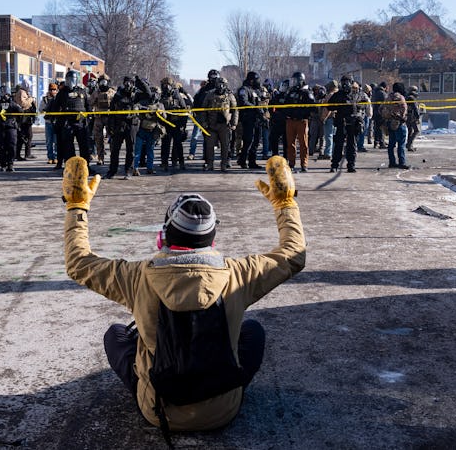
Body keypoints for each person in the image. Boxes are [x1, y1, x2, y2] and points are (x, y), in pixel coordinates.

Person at [61, 153, 305, 439]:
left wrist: (77, 208)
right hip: (225, 410)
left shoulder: (136, 276)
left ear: (165, 235)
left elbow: (78, 262)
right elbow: (293, 255)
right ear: (212, 237)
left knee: (116, 334)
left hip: (158, 410)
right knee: (253, 331)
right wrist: (285, 204)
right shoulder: (240, 273)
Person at [328, 75, 368, 173]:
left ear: (351, 82)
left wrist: (356, 107)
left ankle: (351, 165)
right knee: (338, 144)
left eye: (347, 82)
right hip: (341, 122)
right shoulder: (338, 94)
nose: (345, 84)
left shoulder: (358, 94)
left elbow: (365, 105)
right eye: (343, 82)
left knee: (352, 145)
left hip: (353, 123)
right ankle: (334, 165)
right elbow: (329, 106)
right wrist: (340, 104)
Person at [53, 69, 91, 171]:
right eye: (68, 79)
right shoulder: (62, 93)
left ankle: (86, 167)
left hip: (81, 123)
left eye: (72, 79)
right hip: (67, 123)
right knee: (68, 147)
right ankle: (71, 167)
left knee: (84, 146)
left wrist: (89, 118)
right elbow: (55, 108)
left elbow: (88, 106)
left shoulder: (81, 91)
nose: (70, 81)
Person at [202, 77, 238, 171]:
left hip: (225, 125)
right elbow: (203, 109)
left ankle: (224, 164)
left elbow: (235, 110)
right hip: (211, 124)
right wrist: (204, 122)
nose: (220, 86)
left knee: (225, 146)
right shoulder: (210, 94)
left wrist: (234, 123)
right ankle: (210, 164)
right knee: (209, 146)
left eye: (223, 84)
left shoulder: (230, 95)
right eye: (219, 83)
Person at [105, 76, 138, 179]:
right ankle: (112, 171)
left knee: (131, 150)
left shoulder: (136, 95)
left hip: (131, 125)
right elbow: (111, 112)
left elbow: (148, 94)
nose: (128, 84)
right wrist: (109, 127)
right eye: (126, 82)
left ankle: (128, 171)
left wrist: (138, 81)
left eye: (130, 82)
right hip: (119, 124)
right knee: (115, 150)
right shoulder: (118, 95)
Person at [132, 76, 165, 175]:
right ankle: (135, 168)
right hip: (141, 129)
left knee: (150, 151)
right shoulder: (143, 102)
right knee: (137, 150)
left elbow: (165, 117)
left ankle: (149, 168)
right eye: (153, 93)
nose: (155, 95)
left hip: (153, 130)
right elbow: (136, 108)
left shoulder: (160, 105)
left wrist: (159, 113)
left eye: (157, 93)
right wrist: (140, 109)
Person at [284, 72, 316, 172]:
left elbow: (313, 107)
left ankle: (304, 164)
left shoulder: (306, 92)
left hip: (302, 121)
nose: (293, 82)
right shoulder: (290, 92)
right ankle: (291, 163)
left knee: (303, 144)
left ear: (300, 80)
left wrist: (304, 114)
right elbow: (285, 104)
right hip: (290, 120)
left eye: (295, 80)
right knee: (290, 143)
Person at [236, 71, 264, 170]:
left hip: (257, 120)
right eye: (256, 80)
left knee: (256, 142)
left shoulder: (256, 90)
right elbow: (244, 102)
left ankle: (252, 162)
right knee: (248, 141)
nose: (258, 82)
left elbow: (261, 102)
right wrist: (255, 107)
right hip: (248, 119)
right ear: (251, 80)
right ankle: (242, 160)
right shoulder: (244, 90)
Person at [158, 77, 187, 172]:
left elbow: (184, 110)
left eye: (167, 85)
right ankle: (164, 162)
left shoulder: (177, 95)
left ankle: (180, 162)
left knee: (178, 144)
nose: (166, 87)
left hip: (176, 124)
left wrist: (182, 125)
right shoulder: (161, 96)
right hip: (165, 125)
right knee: (165, 145)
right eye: (164, 85)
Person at [89, 73, 115, 166]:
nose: (103, 84)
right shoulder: (96, 92)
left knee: (112, 138)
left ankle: (113, 157)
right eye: (101, 82)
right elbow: (90, 103)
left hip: (109, 117)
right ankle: (100, 158)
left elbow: (116, 105)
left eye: (105, 82)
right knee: (98, 138)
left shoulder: (112, 92)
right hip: (98, 118)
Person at [386, 82, 409, 169]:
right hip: (399, 123)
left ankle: (392, 162)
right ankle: (402, 162)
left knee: (391, 144)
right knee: (401, 144)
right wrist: (403, 118)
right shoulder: (400, 97)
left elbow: (382, 108)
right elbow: (403, 109)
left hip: (390, 123)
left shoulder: (388, 97)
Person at [14, 81, 37, 161]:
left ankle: (26, 153)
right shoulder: (21, 92)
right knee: (24, 136)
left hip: (26, 118)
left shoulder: (24, 92)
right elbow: (23, 104)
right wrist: (31, 99)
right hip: (23, 118)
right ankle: (20, 154)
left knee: (27, 136)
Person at [268, 79, 289, 159]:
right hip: (277, 121)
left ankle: (286, 158)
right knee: (273, 138)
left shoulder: (290, 96)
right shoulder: (277, 96)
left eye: (285, 86)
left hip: (287, 121)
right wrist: (273, 115)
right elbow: (271, 106)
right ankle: (275, 155)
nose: (284, 88)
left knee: (286, 141)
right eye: (283, 86)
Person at [318, 80, 338, 161]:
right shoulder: (338, 94)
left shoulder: (330, 95)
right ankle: (333, 152)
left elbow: (327, 108)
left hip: (329, 117)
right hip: (336, 117)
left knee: (328, 136)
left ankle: (327, 153)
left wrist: (323, 118)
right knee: (334, 136)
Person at [40, 82, 59, 165]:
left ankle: (56, 157)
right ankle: (50, 157)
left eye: (54, 89)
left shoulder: (59, 98)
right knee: (49, 141)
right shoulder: (45, 99)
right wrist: (47, 107)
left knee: (56, 141)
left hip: (57, 122)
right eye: (51, 89)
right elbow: (40, 109)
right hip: (48, 122)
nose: (53, 91)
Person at [371, 82, 388, 149]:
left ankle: (376, 142)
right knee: (381, 128)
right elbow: (386, 102)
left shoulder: (375, 92)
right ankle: (381, 143)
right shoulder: (382, 93)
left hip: (375, 112)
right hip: (380, 113)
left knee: (377, 128)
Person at [405, 85, 422, 152]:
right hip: (412, 117)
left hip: (407, 116)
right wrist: (417, 117)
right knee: (416, 130)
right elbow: (415, 108)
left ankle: (409, 145)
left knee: (410, 130)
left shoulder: (407, 97)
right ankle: (409, 144)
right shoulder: (412, 98)